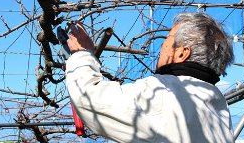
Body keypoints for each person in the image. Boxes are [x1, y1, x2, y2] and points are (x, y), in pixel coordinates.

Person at [65, 12, 234, 143]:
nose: (162, 47)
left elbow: (88, 98)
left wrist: (82, 54)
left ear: (182, 53)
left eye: (167, 39)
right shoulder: (216, 104)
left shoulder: (165, 92)